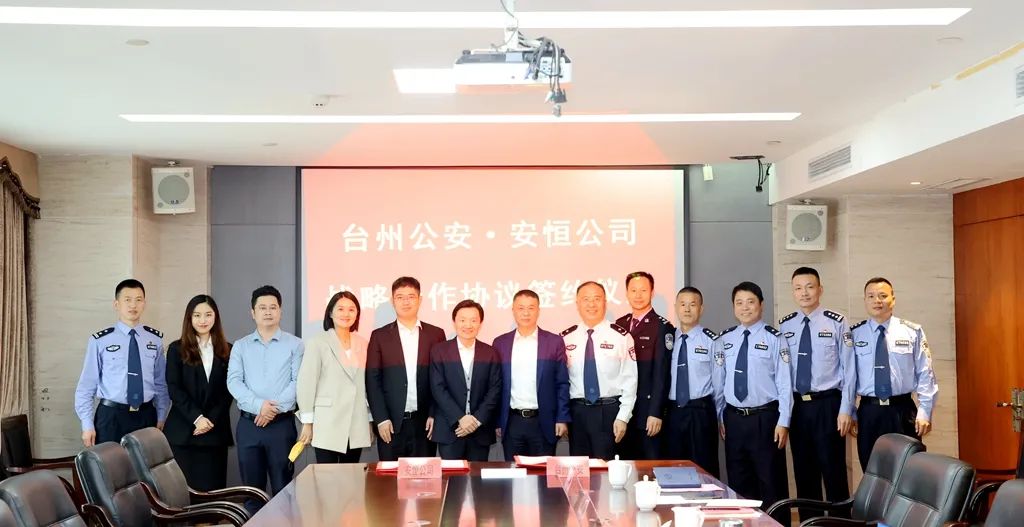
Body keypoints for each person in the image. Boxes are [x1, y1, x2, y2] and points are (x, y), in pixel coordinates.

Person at [778, 267, 854, 520]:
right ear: (793, 292)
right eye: (798, 288)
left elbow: (849, 368)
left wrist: (846, 409)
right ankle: (810, 523)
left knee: (833, 471)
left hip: (828, 405)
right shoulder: (785, 325)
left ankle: (840, 524)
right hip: (798, 407)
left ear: (820, 289)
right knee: (804, 472)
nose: (804, 293)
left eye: (810, 287)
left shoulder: (837, 322)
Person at [714, 281, 792, 521]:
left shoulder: (774, 338)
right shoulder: (725, 338)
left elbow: (785, 382)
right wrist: (720, 416)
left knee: (771, 482)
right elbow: (720, 382)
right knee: (739, 482)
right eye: (739, 303)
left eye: (750, 302)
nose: (745, 307)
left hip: (765, 419)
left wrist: (784, 421)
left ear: (761, 305)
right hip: (734, 419)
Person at [226, 285, 304, 514]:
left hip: (281, 427)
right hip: (249, 425)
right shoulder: (240, 346)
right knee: (252, 492)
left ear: (280, 311)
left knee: (284, 490)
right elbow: (234, 382)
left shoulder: (296, 344)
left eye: (273, 307)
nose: (268, 312)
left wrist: (271, 410)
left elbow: (297, 382)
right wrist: (259, 406)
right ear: (253, 312)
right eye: (262, 307)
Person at [850, 277, 938, 470]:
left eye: (883, 295)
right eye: (871, 296)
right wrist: (850, 411)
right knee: (872, 470)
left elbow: (925, 373)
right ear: (865, 300)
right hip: (869, 412)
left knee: (907, 470)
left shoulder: (912, 331)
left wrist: (925, 411)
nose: (877, 300)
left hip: (902, 410)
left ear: (893, 299)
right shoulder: (854, 334)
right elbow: (848, 378)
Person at [75, 279, 170, 447]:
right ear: (116, 304)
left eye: (138, 300)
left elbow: (160, 383)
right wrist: (87, 424)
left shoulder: (154, 340)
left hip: (146, 416)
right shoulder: (100, 341)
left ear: (144, 304)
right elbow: (87, 386)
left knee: (145, 463)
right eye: (127, 299)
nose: (133, 305)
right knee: (111, 463)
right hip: (111, 417)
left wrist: (162, 415)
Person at [365, 276, 447, 460]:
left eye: (411, 296)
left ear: (420, 300)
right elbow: (373, 380)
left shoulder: (436, 334)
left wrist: (434, 414)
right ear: (392, 301)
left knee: (424, 476)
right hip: (391, 424)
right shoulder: (379, 336)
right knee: (391, 476)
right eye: (400, 297)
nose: (406, 302)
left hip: (425, 423)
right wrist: (381, 419)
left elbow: (440, 379)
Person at [163, 294, 234, 491]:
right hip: (184, 432)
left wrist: (209, 420)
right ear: (189, 318)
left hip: (214, 433)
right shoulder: (176, 349)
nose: (203, 320)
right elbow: (174, 388)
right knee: (182, 494)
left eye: (208, 315)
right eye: (197, 315)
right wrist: (197, 418)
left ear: (215, 317)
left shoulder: (228, 350)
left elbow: (228, 390)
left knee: (213, 492)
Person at [561, 281, 638, 460]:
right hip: (577, 413)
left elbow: (630, 380)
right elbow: (561, 382)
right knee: (580, 470)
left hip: (609, 411)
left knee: (608, 469)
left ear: (605, 302)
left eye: (597, 299)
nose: (591, 304)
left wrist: (623, 417)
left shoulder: (621, 336)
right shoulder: (565, 338)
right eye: (586, 299)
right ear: (577, 304)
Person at [493, 289, 571, 461]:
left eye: (531, 308)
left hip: (544, 421)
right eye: (521, 308)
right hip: (512, 422)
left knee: (543, 474)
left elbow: (562, 383)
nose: (526, 313)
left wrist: (562, 418)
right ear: (513, 311)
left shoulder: (554, 342)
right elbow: (496, 386)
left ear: (538, 310)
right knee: (514, 473)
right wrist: (498, 421)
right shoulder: (500, 343)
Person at [297, 291, 373, 463]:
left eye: (351, 309)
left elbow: (368, 386)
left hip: (356, 423)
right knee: (327, 476)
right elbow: (306, 383)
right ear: (330, 313)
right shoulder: (317, 342)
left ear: (357, 314)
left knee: (351, 476)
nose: (346, 314)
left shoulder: (364, 344)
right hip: (327, 423)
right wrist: (307, 422)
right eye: (340, 309)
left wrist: (369, 420)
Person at [429, 300, 502, 460]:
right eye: (462, 320)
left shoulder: (490, 353)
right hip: (450, 429)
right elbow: (437, 388)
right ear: (454, 321)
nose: (468, 325)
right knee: (451, 475)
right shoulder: (439, 351)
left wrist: (476, 421)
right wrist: (460, 418)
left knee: (477, 476)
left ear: (480, 323)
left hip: (480, 431)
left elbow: (495, 389)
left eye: (473, 320)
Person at [663, 287, 723, 477]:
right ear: (675, 307)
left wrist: (719, 416)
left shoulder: (711, 340)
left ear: (701, 309)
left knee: (705, 468)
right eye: (683, 304)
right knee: (674, 469)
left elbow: (719, 384)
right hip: (673, 412)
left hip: (701, 412)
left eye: (692, 304)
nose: (687, 309)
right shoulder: (667, 340)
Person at [614, 271, 673, 460]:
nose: (638, 295)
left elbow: (662, 374)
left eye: (643, 290)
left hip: (647, 414)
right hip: (623, 413)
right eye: (633, 290)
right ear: (626, 293)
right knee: (624, 468)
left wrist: (656, 412)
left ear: (652, 292)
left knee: (650, 469)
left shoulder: (662, 326)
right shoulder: (620, 325)